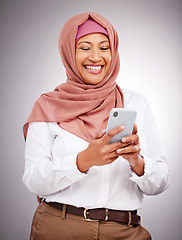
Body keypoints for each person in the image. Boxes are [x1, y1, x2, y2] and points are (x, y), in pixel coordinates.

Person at [22, 12, 170, 240]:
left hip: (124, 231)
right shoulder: (47, 105)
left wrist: (137, 162)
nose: (95, 57)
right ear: (68, 52)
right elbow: (33, 181)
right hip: (59, 228)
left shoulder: (135, 102)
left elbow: (160, 183)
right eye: (84, 47)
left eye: (104, 47)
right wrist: (84, 160)